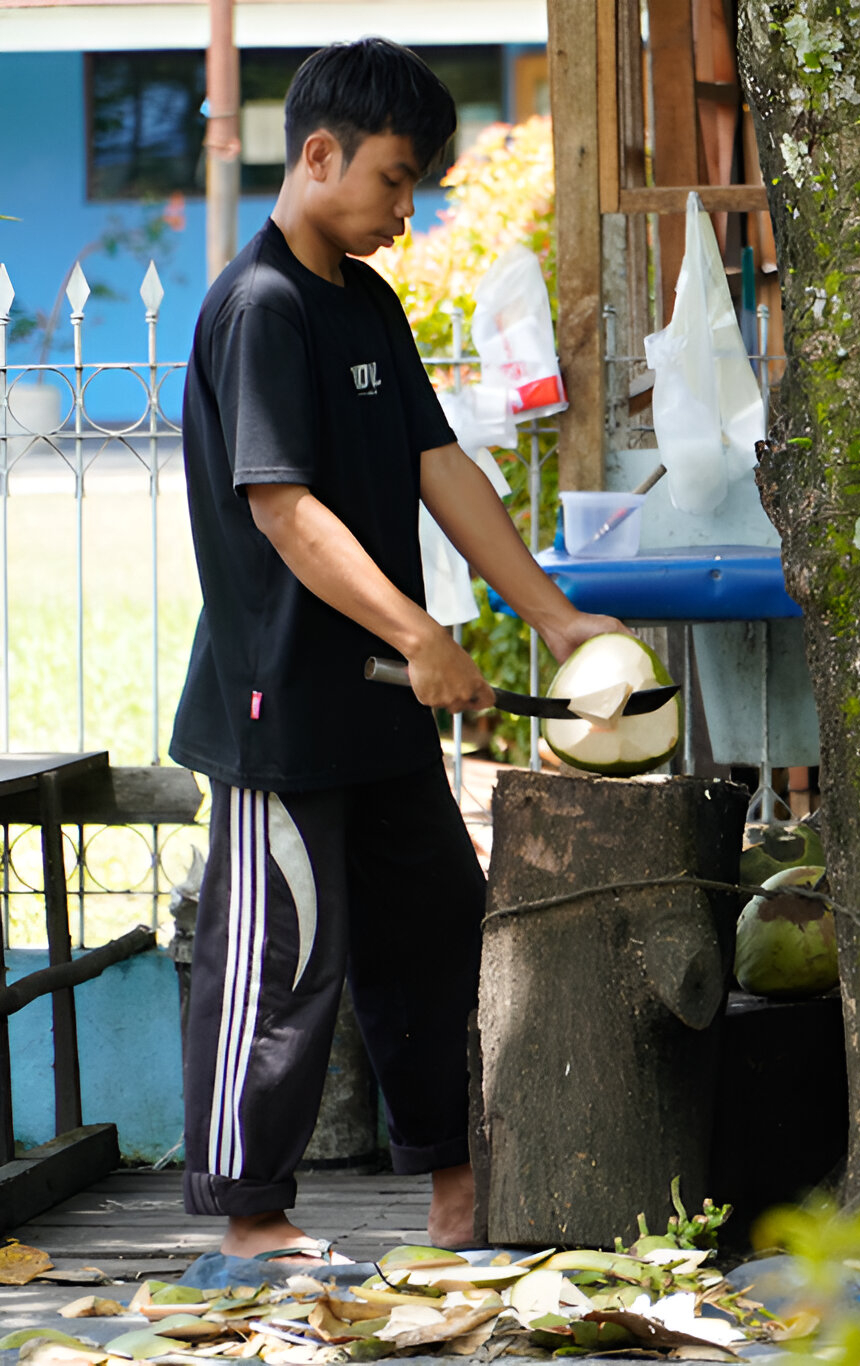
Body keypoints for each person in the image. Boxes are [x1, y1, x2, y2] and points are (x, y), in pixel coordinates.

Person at [169, 37, 623, 1263]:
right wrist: (423, 633)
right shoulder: (257, 304)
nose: (404, 205)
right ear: (318, 155)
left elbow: (439, 466)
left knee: (435, 946)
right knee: (280, 969)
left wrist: (553, 616)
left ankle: (457, 1196)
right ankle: (249, 1217)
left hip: (382, 718)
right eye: (393, 176)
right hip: (283, 719)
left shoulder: (365, 301)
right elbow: (283, 508)